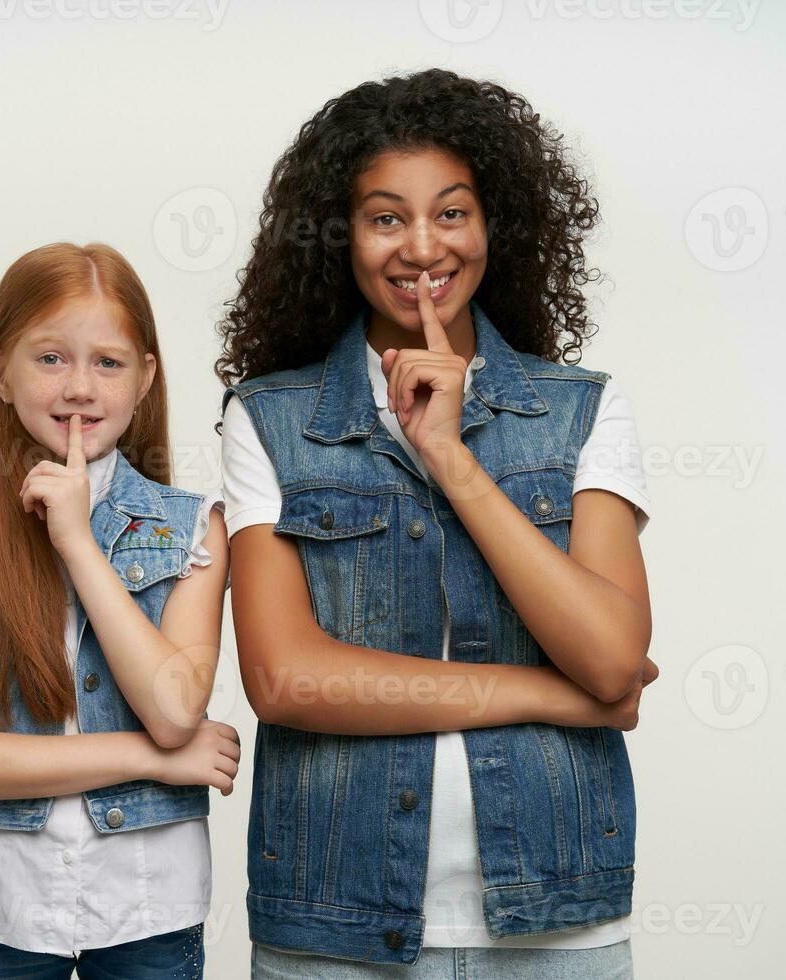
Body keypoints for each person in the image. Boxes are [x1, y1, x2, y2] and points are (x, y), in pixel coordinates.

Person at [216, 69, 657, 978]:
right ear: (343, 240)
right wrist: (548, 694)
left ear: (495, 224)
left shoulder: (582, 413)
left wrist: (453, 458)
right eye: (386, 218)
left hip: (555, 925)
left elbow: (613, 655)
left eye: (451, 213)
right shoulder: (266, 419)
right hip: (334, 926)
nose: (423, 246)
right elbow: (286, 678)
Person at [0, 242, 237, 979]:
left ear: (144, 379)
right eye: (50, 358)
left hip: (147, 902)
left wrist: (78, 542)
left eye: (108, 363)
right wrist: (148, 760)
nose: (80, 386)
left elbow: (175, 709)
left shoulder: (193, 528)